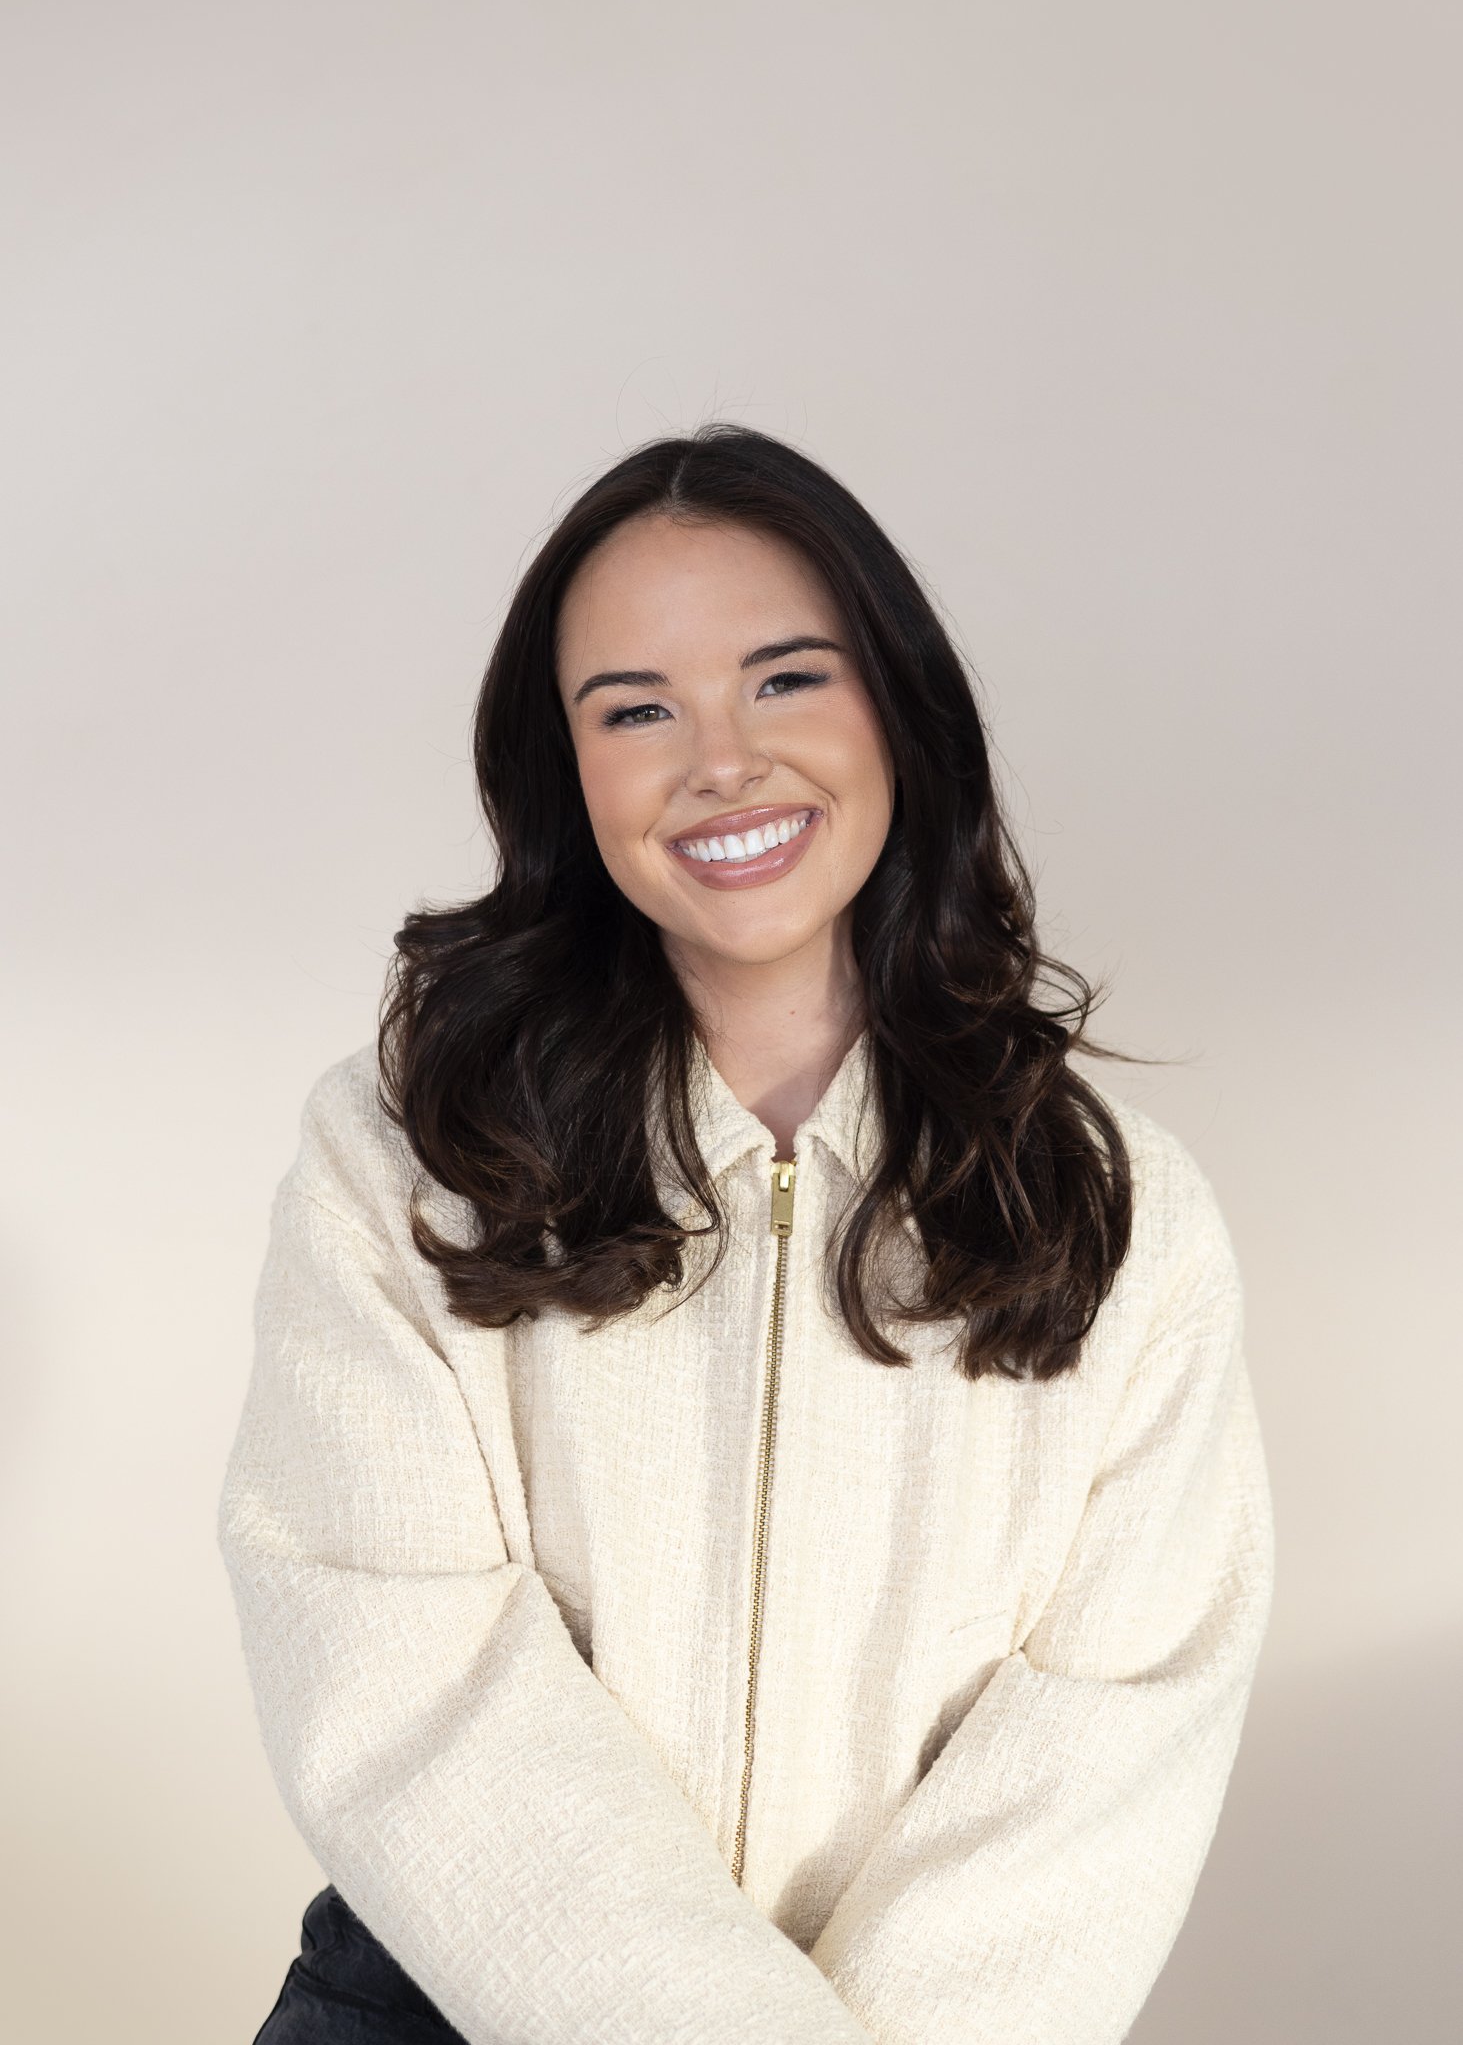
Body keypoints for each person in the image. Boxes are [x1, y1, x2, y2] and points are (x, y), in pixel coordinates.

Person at [219, 423, 1275, 2045]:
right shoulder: (406, 1153)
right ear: (567, 772)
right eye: (635, 710)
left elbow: (1109, 1749)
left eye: (786, 680)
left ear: (896, 710)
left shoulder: (1121, 1213)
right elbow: (398, 1672)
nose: (722, 761)